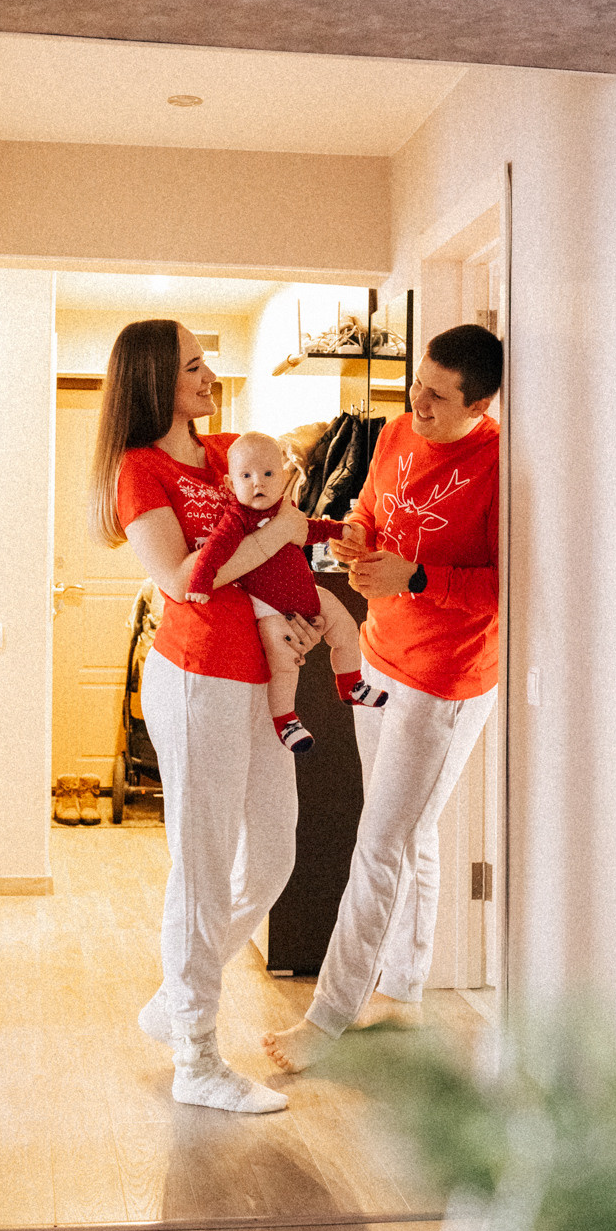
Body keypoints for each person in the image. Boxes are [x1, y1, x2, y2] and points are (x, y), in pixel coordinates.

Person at [90, 319, 323, 1113]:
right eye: (192, 365)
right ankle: (196, 1057)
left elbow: (270, 551)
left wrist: (297, 602)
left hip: (259, 677)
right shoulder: (138, 470)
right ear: (156, 380)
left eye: (205, 361)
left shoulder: (229, 453)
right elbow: (184, 578)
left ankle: (173, 996)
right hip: (195, 682)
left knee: (272, 858)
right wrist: (284, 530)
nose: (207, 374)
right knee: (201, 863)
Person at [263, 323, 503, 1073]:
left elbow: (507, 587)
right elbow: (370, 502)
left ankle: (328, 1020)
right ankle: (401, 990)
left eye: (436, 396)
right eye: (416, 384)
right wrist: (359, 535)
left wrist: (418, 577)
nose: (416, 402)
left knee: (380, 845)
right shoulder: (398, 429)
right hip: (378, 660)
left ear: (479, 402)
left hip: (444, 681)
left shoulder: (500, 463)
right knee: (409, 835)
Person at [186, 430, 388, 753]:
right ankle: (285, 720)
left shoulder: (286, 509)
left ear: (282, 476)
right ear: (229, 484)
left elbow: (309, 529)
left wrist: (339, 529)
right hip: (270, 609)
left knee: (347, 626)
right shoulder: (237, 519)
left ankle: (351, 683)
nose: (258, 483)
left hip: (308, 593)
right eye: (246, 476)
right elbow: (214, 552)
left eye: (268, 474)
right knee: (284, 663)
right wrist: (199, 582)